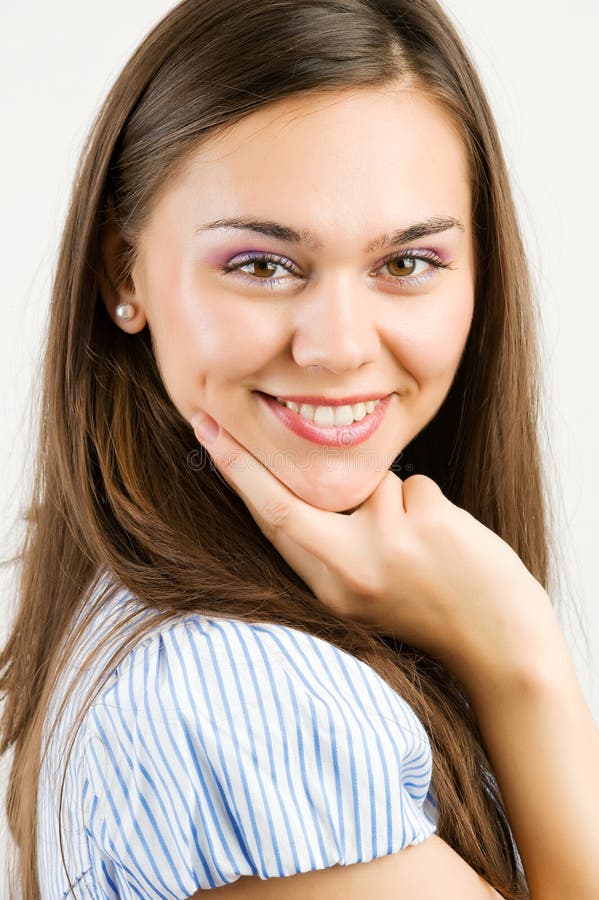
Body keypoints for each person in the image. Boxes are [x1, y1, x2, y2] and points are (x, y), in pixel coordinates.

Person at [1, 0, 597, 897]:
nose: (339, 347)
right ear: (123, 272)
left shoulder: (163, 618)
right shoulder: (237, 705)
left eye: (406, 264)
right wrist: (521, 660)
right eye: (262, 264)